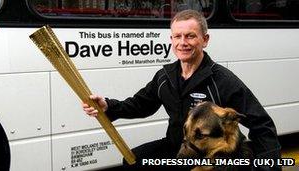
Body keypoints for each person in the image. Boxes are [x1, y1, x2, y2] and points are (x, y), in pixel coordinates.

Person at [82, 9, 281, 170]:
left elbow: (261, 124)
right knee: (133, 160)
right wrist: (107, 105)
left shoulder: (222, 80)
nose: (182, 42)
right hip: (176, 148)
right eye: (177, 36)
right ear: (171, 40)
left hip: (209, 157)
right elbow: (140, 105)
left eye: (190, 36)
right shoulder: (165, 76)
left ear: (205, 39)